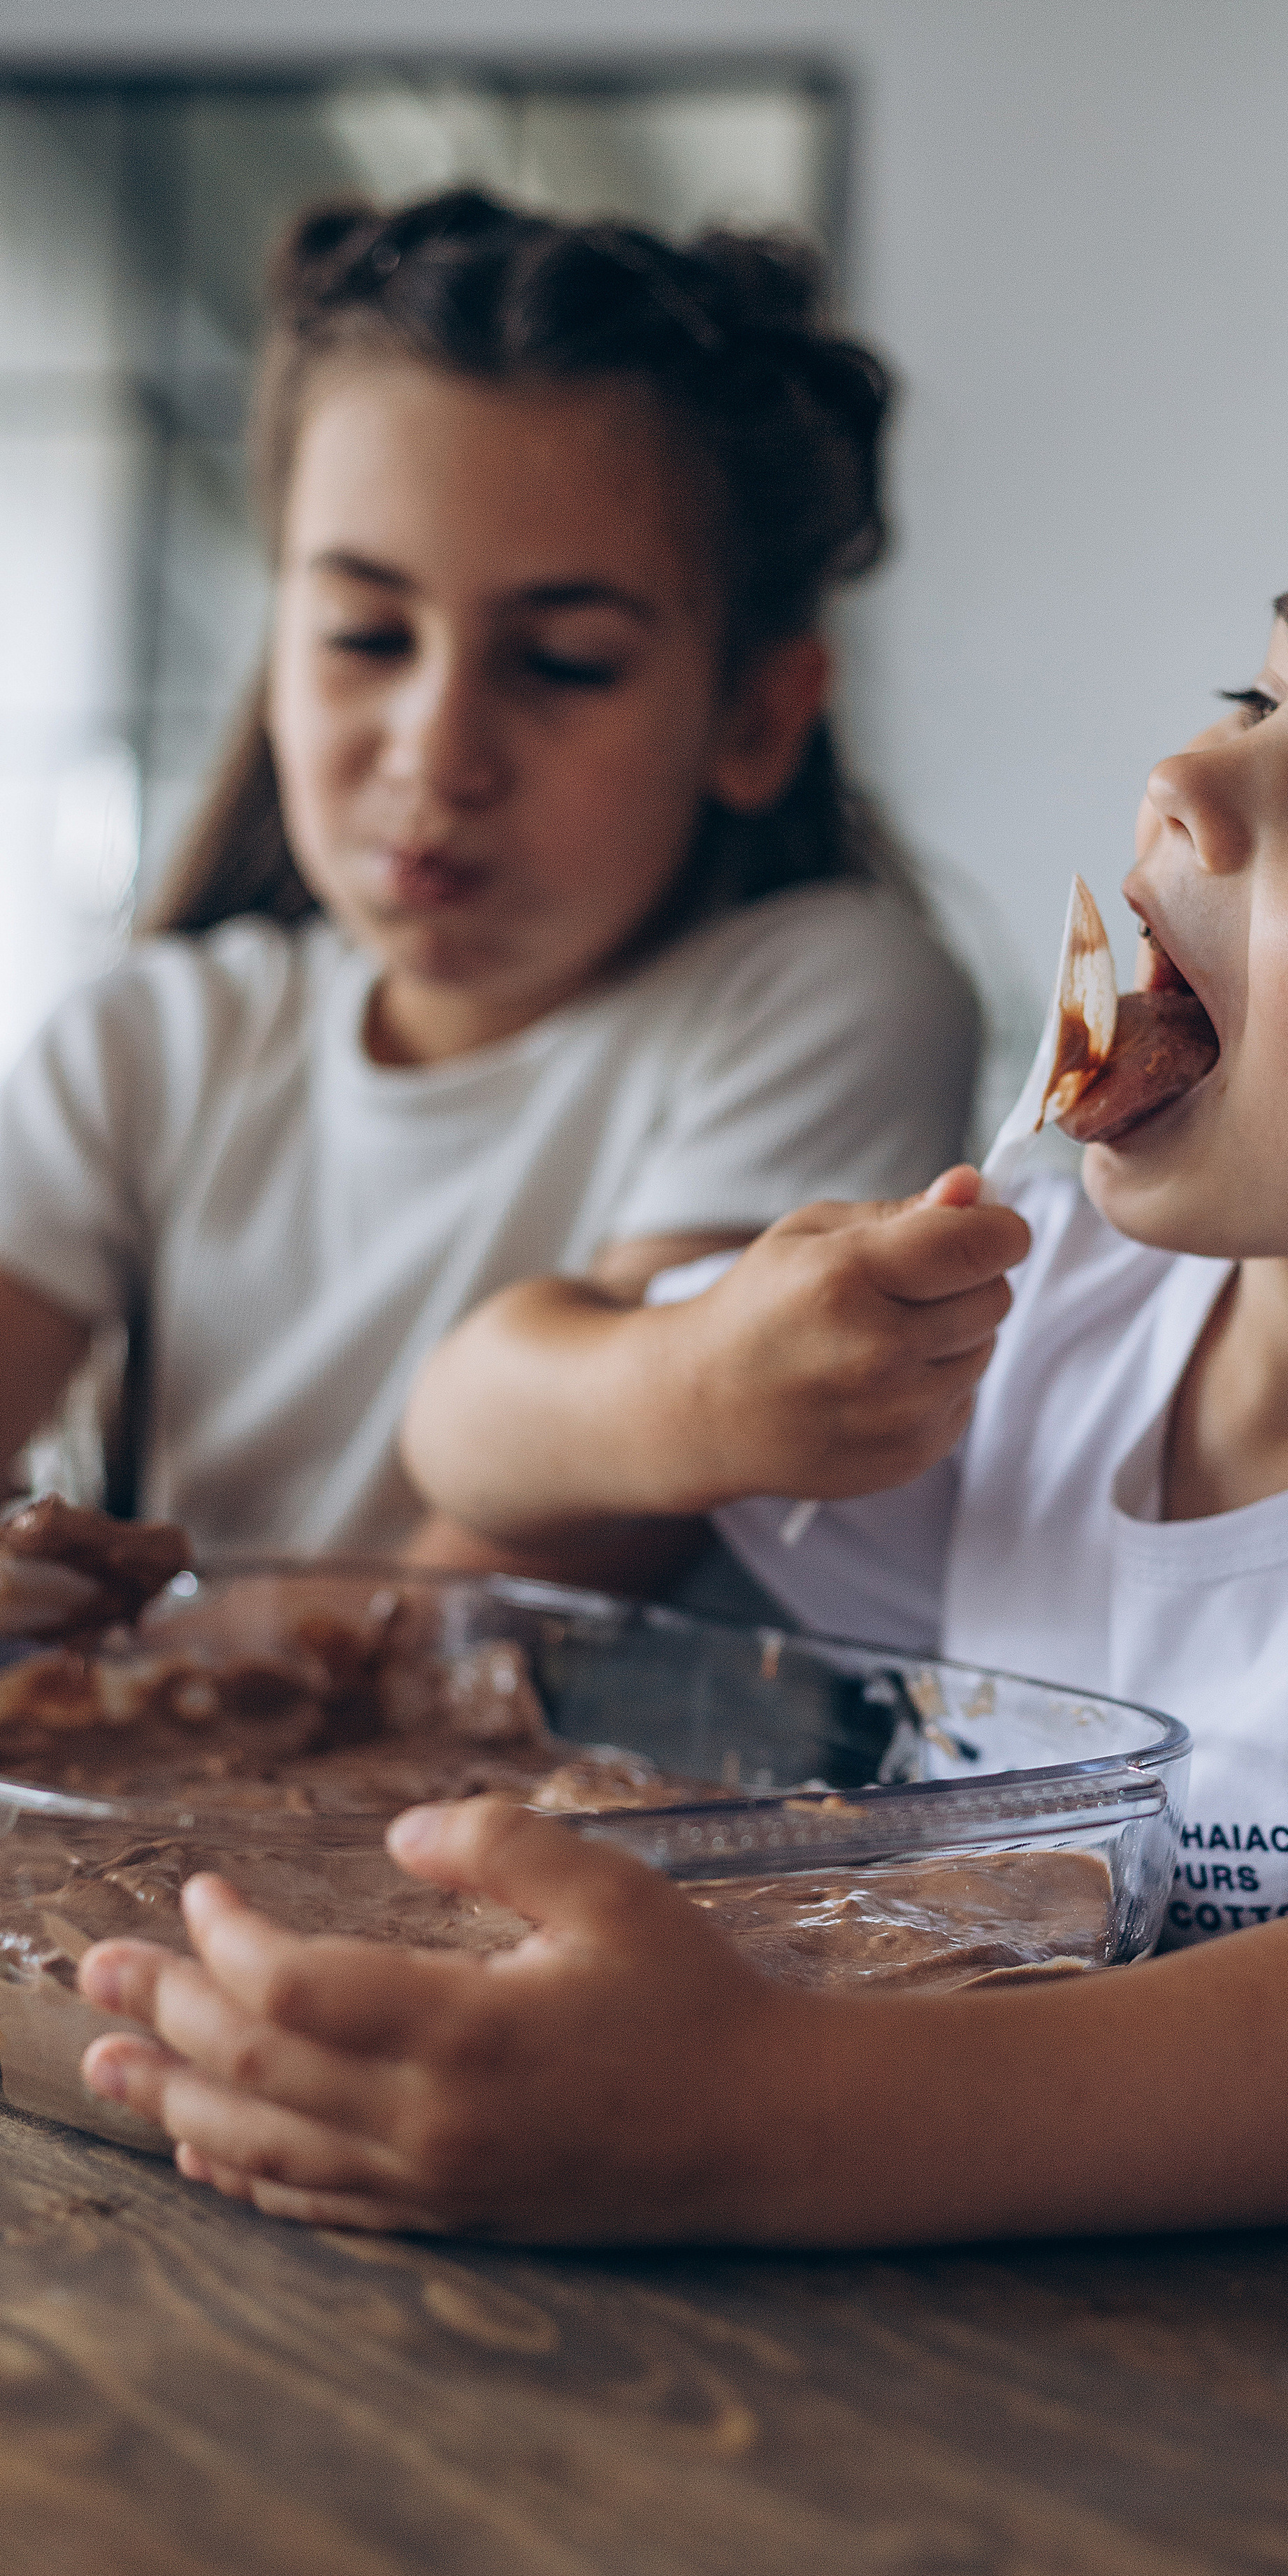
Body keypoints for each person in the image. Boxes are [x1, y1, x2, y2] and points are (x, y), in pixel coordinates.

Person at [76, 343, 1288, 2245]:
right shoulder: (1047, 1313)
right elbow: (470, 1414)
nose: (1189, 776)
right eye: (1259, 687)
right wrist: (690, 1389)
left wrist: (752, 2111)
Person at [0, 190, 979, 1571]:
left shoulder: (821, 996)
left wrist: (155, 1665)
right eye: (363, 635)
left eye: (562, 663)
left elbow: (543, 1568)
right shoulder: (143, 1047)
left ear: (757, 717)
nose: (438, 752)